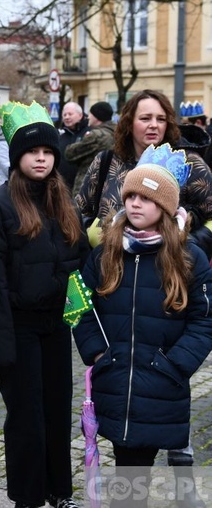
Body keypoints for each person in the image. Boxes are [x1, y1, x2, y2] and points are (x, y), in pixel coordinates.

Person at [73, 144, 212, 508]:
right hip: (115, 380)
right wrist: (97, 352)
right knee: (127, 470)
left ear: (164, 207)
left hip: (160, 383)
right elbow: (78, 306)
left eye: (145, 198)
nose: (134, 203)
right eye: (130, 195)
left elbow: (204, 318)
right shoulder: (106, 252)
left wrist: (175, 364)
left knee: (139, 469)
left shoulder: (189, 257)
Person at [0, 101, 89, 508]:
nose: (40, 158)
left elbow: (80, 259)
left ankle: (59, 492)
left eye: (47, 152)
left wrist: (76, 305)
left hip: (56, 324)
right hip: (18, 326)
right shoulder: (0, 203)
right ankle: (27, 496)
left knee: (57, 412)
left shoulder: (63, 199)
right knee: (26, 420)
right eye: (32, 152)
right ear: (17, 156)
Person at [76, 89, 212, 258]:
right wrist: (94, 238)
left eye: (161, 119)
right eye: (145, 118)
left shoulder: (187, 162)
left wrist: (187, 247)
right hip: (109, 269)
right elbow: (81, 212)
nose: (154, 125)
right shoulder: (106, 161)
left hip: (167, 272)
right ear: (129, 123)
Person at [65, 101, 116, 194]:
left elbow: (69, 154)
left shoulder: (96, 135)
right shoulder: (116, 133)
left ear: (97, 117)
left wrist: (85, 139)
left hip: (88, 189)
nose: (88, 117)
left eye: (90, 114)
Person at [58, 101, 90, 190]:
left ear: (80, 115)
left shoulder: (90, 133)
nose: (67, 117)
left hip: (82, 186)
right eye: (64, 115)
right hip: (62, 186)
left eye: (70, 114)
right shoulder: (59, 135)